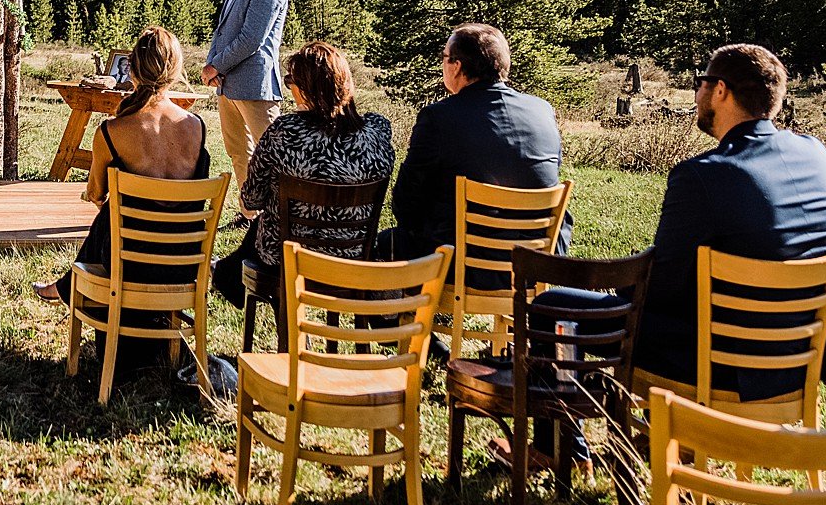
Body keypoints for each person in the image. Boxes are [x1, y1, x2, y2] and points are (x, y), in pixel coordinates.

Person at [632, 42, 826, 395]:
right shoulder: (816, 153)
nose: (697, 93)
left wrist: (616, 282)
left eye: (701, 82)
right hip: (801, 358)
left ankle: (564, 446)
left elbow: (658, 288)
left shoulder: (702, 175)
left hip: (726, 365)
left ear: (720, 89)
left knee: (555, 309)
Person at [209, 40, 394, 316]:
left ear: (305, 88)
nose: (288, 87)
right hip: (353, 256)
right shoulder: (376, 133)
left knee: (265, 225)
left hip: (289, 258)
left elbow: (251, 199)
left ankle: (229, 277)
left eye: (289, 81)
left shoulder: (285, 132)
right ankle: (226, 273)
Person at [34, 26, 212, 306]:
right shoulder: (197, 127)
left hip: (127, 261)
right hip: (185, 260)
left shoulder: (111, 132)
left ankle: (68, 287)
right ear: (176, 71)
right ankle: (66, 287)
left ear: (132, 71)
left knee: (109, 214)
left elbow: (95, 194)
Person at [388, 23, 565, 263]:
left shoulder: (439, 118)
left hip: (463, 266)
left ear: (457, 66)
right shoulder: (542, 110)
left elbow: (405, 205)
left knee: (387, 244)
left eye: (444, 57)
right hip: (534, 264)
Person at [203, 0, 289, 210]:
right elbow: (224, 31)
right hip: (229, 85)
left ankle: (278, 216)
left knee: (272, 155)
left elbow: (251, 38)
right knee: (239, 152)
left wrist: (216, 66)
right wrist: (213, 65)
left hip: (255, 86)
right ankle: (250, 212)